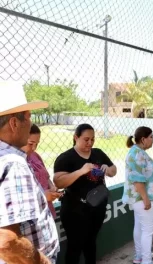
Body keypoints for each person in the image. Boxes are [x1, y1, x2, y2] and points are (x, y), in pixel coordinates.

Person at [0, 82, 59, 264]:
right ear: (14, 122)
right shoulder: (12, 162)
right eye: (29, 116)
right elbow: (6, 241)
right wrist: (43, 262)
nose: (31, 123)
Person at [54, 123, 117, 264]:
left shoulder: (98, 153)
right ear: (76, 137)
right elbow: (58, 182)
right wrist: (81, 171)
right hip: (74, 209)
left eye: (93, 139)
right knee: (75, 246)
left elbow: (113, 170)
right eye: (86, 139)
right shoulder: (66, 158)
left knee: (91, 242)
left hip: (97, 206)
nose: (90, 143)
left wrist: (108, 169)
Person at [122, 127, 153, 264]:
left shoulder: (137, 152)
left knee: (140, 227)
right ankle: (147, 260)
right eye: (151, 137)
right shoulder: (137, 154)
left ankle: (139, 256)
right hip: (141, 198)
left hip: (138, 198)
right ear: (143, 139)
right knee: (148, 229)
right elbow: (137, 179)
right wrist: (145, 198)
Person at [22, 124, 61, 218]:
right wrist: (43, 196)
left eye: (37, 144)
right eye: (30, 143)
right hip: (31, 214)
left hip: (46, 210)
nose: (34, 148)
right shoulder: (15, 162)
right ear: (20, 139)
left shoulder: (35, 156)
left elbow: (46, 176)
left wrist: (52, 187)